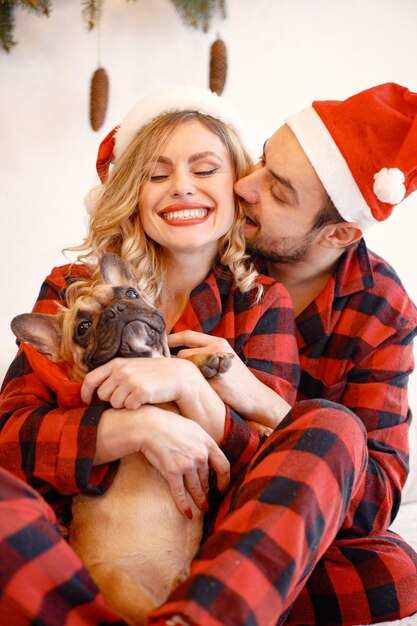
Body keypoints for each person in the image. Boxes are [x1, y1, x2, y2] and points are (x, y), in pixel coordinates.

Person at [0, 82, 416, 626]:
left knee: (381, 539)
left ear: (336, 233)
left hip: (230, 527)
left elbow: (310, 478)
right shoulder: (76, 287)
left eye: (207, 170)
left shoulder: (263, 300)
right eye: (155, 173)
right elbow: (12, 434)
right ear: (131, 189)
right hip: (86, 528)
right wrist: (136, 429)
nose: (248, 186)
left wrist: (198, 389)